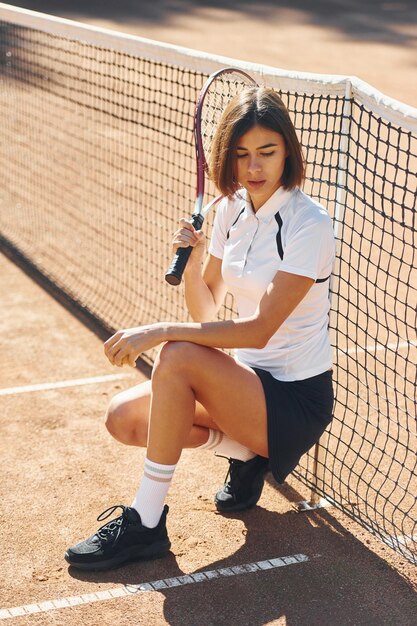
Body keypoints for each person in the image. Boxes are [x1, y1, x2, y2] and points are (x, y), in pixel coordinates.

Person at [65, 86, 335, 571]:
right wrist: (192, 265)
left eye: (267, 153)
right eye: (242, 155)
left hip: (294, 402)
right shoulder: (230, 209)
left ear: (288, 152)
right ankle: (245, 454)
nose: (254, 168)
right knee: (122, 418)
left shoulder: (309, 224)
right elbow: (208, 311)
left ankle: (145, 523)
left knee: (177, 354)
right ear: (226, 159)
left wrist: (159, 330)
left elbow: (257, 330)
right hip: (245, 386)